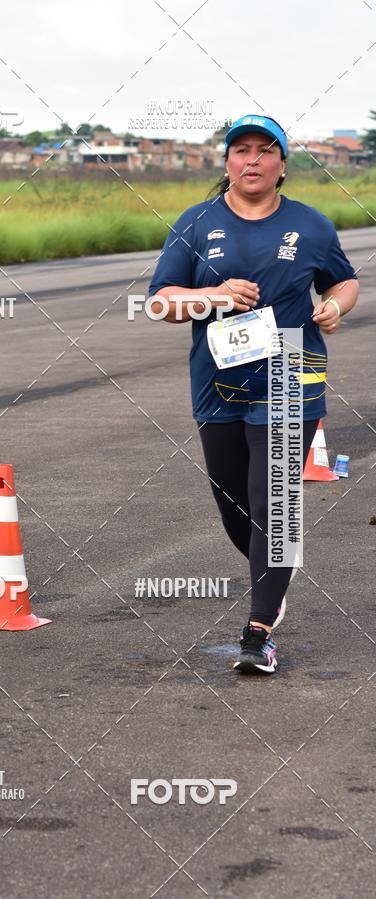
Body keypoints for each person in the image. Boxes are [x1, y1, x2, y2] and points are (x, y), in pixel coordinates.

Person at [148, 114, 359, 674]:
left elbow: (345, 279)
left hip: (290, 367)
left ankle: (259, 630)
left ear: (282, 166)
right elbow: (160, 301)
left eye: (266, 151)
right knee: (236, 508)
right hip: (218, 379)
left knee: (276, 506)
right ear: (226, 162)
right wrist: (213, 296)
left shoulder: (311, 226)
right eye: (241, 150)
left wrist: (335, 305)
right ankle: (274, 573)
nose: (253, 160)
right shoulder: (197, 223)